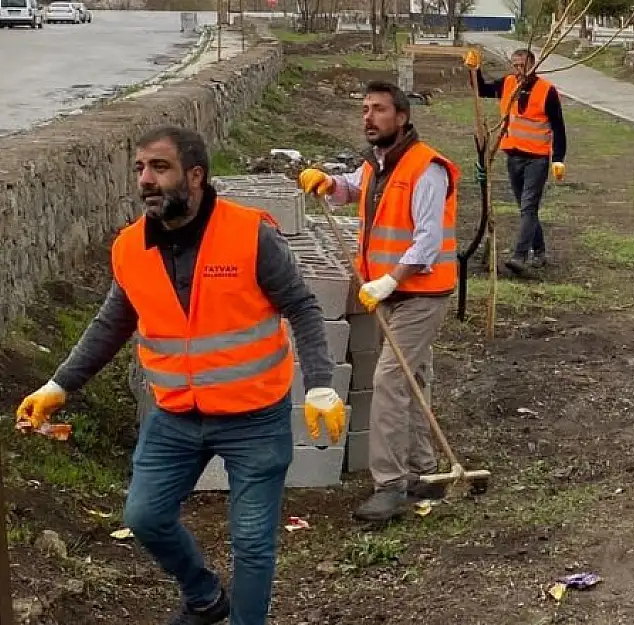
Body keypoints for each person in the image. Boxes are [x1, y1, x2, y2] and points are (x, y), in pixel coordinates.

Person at [15, 126, 345, 625]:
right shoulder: (130, 248)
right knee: (144, 517)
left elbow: (301, 305)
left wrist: (320, 383)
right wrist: (59, 385)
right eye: (140, 169)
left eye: (160, 167)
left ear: (195, 175)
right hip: (176, 417)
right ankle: (205, 597)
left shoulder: (249, 234)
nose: (146, 179)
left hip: (253, 416)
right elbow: (111, 324)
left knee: (252, 541)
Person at [297, 81, 460, 524]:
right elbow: (354, 187)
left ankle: (388, 485)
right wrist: (330, 183)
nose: (369, 117)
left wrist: (388, 281)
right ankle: (422, 470)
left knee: (389, 379)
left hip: (420, 294)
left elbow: (427, 240)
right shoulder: (377, 165)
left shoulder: (426, 169)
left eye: (379, 110)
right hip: (392, 292)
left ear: (402, 117)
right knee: (413, 377)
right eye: (365, 109)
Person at [463, 46, 567, 274]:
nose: (519, 70)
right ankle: (539, 250)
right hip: (513, 157)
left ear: (533, 65)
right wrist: (474, 69)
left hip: (537, 159)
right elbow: (482, 90)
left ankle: (520, 256)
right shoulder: (508, 83)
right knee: (525, 208)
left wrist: (558, 159)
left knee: (528, 206)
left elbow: (559, 128)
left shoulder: (547, 91)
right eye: (515, 65)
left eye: (523, 65)